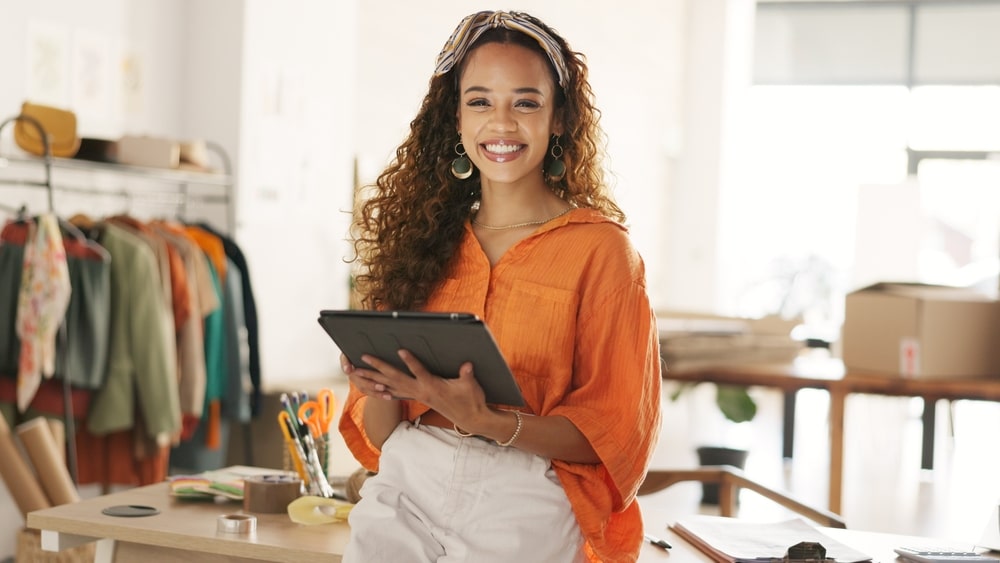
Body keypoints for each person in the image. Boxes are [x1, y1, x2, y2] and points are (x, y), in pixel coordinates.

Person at [338, 10, 662, 562]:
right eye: (481, 101)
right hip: (407, 482)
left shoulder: (602, 251)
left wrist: (487, 421)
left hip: (526, 494)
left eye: (527, 102)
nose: (502, 124)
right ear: (456, 119)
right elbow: (382, 436)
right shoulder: (422, 243)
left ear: (559, 118)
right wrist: (378, 386)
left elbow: (613, 436)